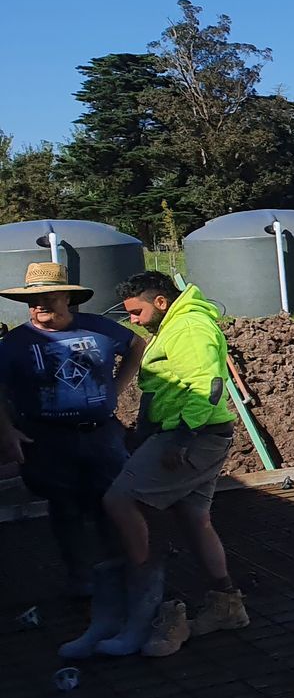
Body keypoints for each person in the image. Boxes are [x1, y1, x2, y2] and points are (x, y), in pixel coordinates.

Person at [65, 272, 249, 658]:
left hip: (190, 435)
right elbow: (160, 384)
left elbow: (207, 385)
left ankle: (146, 603)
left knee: (120, 502)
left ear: (160, 301)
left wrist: (181, 438)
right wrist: (142, 431)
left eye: (136, 311)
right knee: (192, 518)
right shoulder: (174, 326)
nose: (132, 319)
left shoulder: (190, 328)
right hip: (194, 433)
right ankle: (225, 602)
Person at [0, 262, 139, 595]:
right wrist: (6, 430)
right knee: (64, 508)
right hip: (45, 436)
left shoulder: (100, 329)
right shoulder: (16, 343)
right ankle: (81, 579)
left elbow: (137, 345)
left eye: (49, 296)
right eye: (33, 300)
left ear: (68, 297)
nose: (40, 304)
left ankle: (122, 572)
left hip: (101, 433)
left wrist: (118, 387)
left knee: (113, 503)